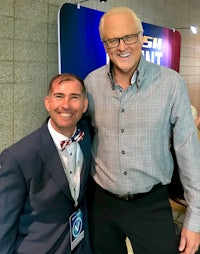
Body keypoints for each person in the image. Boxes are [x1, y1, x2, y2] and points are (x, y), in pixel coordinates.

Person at [84, 6, 200, 254]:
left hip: (151, 205)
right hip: (102, 205)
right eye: (113, 40)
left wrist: (195, 218)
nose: (122, 46)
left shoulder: (171, 84)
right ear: (105, 44)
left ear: (141, 37)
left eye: (129, 37)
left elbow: (188, 152)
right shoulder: (91, 84)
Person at [0, 73, 92, 254]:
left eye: (74, 97)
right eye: (59, 96)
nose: (66, 105)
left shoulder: (86, 136)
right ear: (47, 103)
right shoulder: (18, 157)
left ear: (84, 105)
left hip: (79, 246)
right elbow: (3, 224)